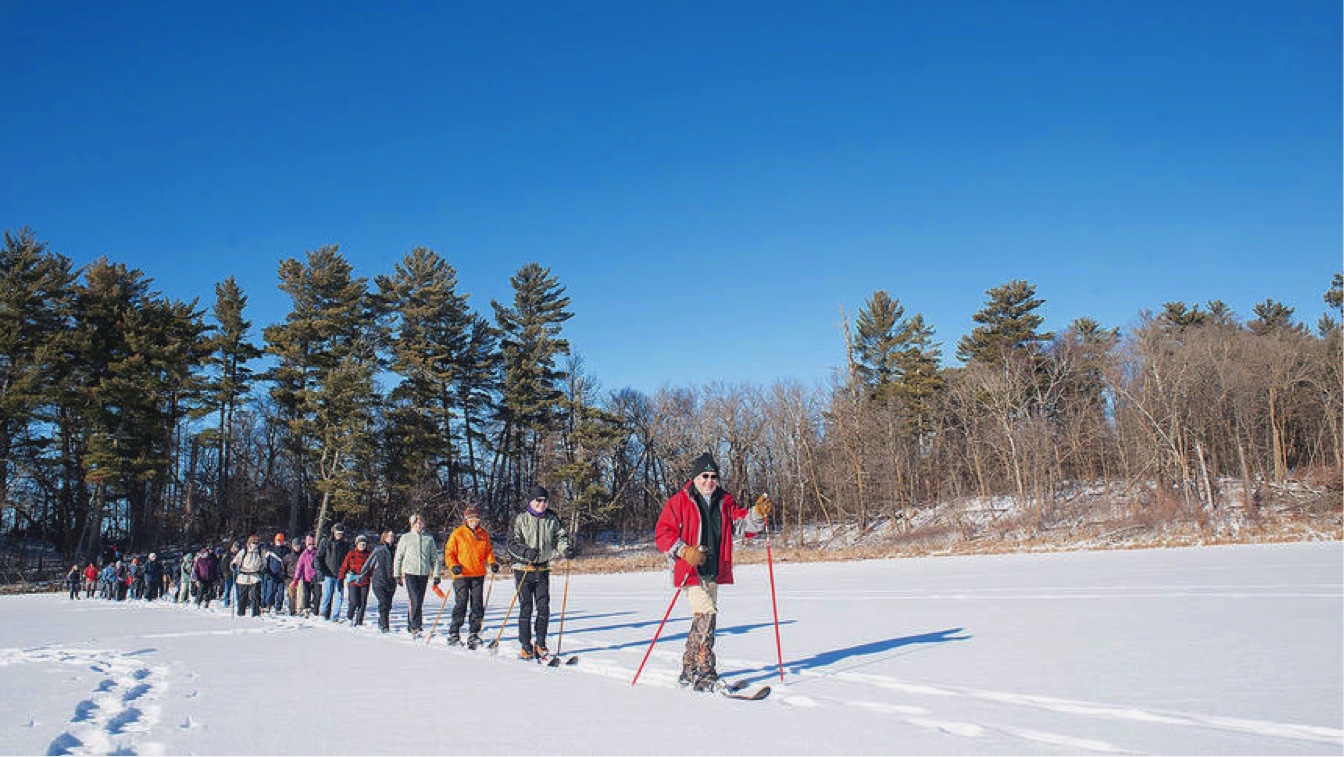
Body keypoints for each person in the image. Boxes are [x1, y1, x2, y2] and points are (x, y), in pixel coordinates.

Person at [654, 452, 770, 691]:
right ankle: (706, 670)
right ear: (695, 477)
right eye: (704, 476)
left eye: (713, 476)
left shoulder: (724, 501)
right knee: (707, 612)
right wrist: (685, 551)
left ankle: (688, 667)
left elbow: (742, 526)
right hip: (690, 570)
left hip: (714, 568)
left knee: (702, 617)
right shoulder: (679, 501)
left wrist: (757, 514)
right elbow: (663, 534)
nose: (709, 481)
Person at [507, 485, 571, 660]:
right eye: (538, 501)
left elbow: (560, 537)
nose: (542, 504)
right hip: (523, 569)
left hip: (542, 568)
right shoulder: (520, 519)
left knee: (543, 608)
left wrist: (565, 549)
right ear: (531, 501)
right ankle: (525, 645)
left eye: (545, 501)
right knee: (526, 607)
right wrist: (526, 552)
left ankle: (540, 643)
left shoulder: (551, 518)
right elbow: (512, 543)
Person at [442, 505, 499, 648]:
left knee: (477, 604)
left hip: (478, 573)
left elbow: (488, 551)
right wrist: (453, 565)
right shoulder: (458, 533)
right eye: (470, 519)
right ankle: (454, 632)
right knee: (461, 602)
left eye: (476, 518)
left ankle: (474, 633)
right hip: (461, 573)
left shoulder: (483, 534)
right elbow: (449, 552)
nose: (473, 521)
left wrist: (492, 562)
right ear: (466, 519)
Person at [393, 513, 439, 637]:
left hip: (423, 573)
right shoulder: (406, 538)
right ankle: (416, 626)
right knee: (415, 599)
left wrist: (436, 574)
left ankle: (411, 623)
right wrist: (396, 574)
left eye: (420, 523)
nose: (418, 526)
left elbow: (434, 558)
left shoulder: (428, 539)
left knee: (419, 600)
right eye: (416, 524)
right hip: (410, 573)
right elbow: (398, 557)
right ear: (412, 525)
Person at [358, 530, 397, 633]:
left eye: (392, 536)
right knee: (383, 602)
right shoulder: (378, 549)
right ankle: (384, 625)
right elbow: (369, 563)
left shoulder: (396, 550)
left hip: (391, 581)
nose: (391, 538)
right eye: (389, 536)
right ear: (384, 537)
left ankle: (383, 622)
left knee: (388, 604)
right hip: (379, 580)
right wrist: (361, 575)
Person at [316, 523, 351, 621]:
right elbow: (318, 557)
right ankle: (323, 613)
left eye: (341, 533)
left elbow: (348, 559)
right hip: (328, 573)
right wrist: (321, 570)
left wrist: (347, 570)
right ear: (333, 532)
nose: (339, 535)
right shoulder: (326, 542)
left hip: (340, 574)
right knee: (326, 595)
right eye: (337, 533)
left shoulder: (345, 544)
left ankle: (335, 616)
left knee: (338, 596)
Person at [338, 534, 372, 626]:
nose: (362, 546)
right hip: (353, 581)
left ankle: (359, 621)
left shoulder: (369, 555)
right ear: (356, 544)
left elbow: (372, 568)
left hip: (365, 581)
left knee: (362, 603)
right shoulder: (351, 554)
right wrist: (341, 578)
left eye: (364, 544)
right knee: (354, 601)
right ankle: (349, 616)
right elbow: (344, 567)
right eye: (360, 544)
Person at [231, 534, 266, 617]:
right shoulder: (244, 551)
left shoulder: (261, 551)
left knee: (255, 596)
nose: (255, 544)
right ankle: (240, 614)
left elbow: (264, 563)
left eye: (257, 542)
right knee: (242, 597)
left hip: (255, 576)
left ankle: (256, 615)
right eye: (253, 542)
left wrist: (263, 568)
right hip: (244, 576)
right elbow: (236, 560)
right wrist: (234, 565)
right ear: (249, 542)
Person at [292, 535, 318, 616]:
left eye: (312, 544)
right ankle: (307, 608)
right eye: (309, 544)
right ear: (307, 545)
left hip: (316, 577)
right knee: (306, 594)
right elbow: (299, 567)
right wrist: (296, 578)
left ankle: (315, 609)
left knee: (317, 594)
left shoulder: (317, 553)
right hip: (306, 577)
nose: (311, 546)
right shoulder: (304, 554)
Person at [264, 533, 287, 613]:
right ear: (275, 540)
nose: (279, 542)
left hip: (282, 575)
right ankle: (268, 606)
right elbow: (266, 562)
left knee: (281, 593)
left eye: (281, 540)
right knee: (270, 591)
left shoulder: (286, 550)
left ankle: (278, 608)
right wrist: (266, 570)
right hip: (272, 574)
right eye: (278, 540)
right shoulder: (270, 550)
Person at [282, 540, 303, 615]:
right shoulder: (288, 556)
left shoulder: (302, 555)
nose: (297, 547)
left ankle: (299, 610)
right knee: (291, 595)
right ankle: (292, 610)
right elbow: (283, 566)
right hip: (290, 577)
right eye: (295, 546)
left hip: (300, 578)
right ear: (292, 546)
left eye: (298, 546)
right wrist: (285, 576)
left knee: (300, 595)